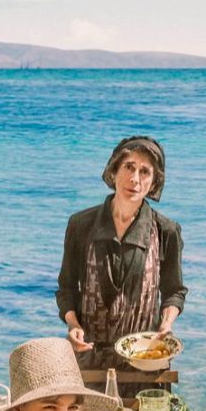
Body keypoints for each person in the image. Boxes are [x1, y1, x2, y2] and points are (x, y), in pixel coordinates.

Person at [56, 136, 187, 396]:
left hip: (145, 361)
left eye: (145, 171)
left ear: (154, 183)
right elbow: (67, 288)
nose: (135, 179)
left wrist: (166, 322)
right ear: (114, 170)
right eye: (128, 167)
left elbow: (174, 291)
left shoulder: (166, 231)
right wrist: (73, 325)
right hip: (89, 359)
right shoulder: (81, 225)